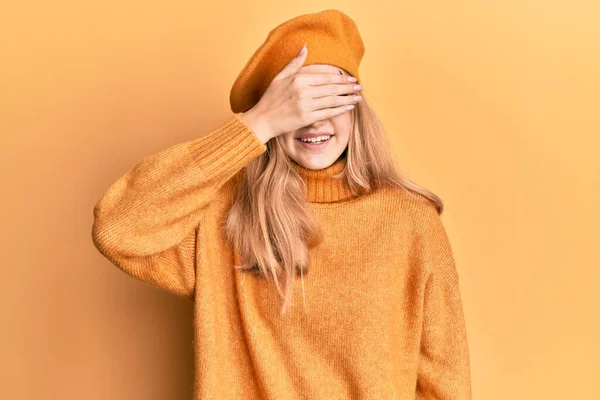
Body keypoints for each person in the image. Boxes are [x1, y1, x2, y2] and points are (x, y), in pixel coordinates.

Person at [91, 9, 472, 400]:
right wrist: (256, 125)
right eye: (295, 105)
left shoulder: (409, 222)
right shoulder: (227, 216)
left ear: (356, 105)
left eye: (329, 99)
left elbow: (444, 384)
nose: (313, 122)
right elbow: (118, 228)